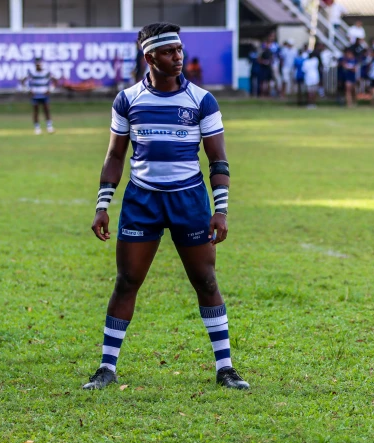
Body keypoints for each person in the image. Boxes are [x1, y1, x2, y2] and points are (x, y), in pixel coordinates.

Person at [83, 22, 249, 391]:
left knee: (205, 280)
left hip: (189, 200)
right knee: (127, 281)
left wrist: (220, 210)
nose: (179, 57)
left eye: (179, 50)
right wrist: (102, 204)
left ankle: (226, 368)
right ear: (150, 57)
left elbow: (217, 160)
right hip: (142, 200)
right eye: (169, 52)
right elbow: (114, 155)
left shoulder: (202, 100)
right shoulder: (127, 100)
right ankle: (106, 368)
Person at [21, 57, 56, 135]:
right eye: (37, 65)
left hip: (44, 94)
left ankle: (49, 126)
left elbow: (55, 80)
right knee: (36, 111)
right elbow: (22, 80)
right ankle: (37, 127)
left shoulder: (46, 72)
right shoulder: (32, 72)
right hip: (35, 94)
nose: (38, 66)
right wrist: (28, 90)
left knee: (46, 110)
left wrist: (50, 89)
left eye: (39, 64)